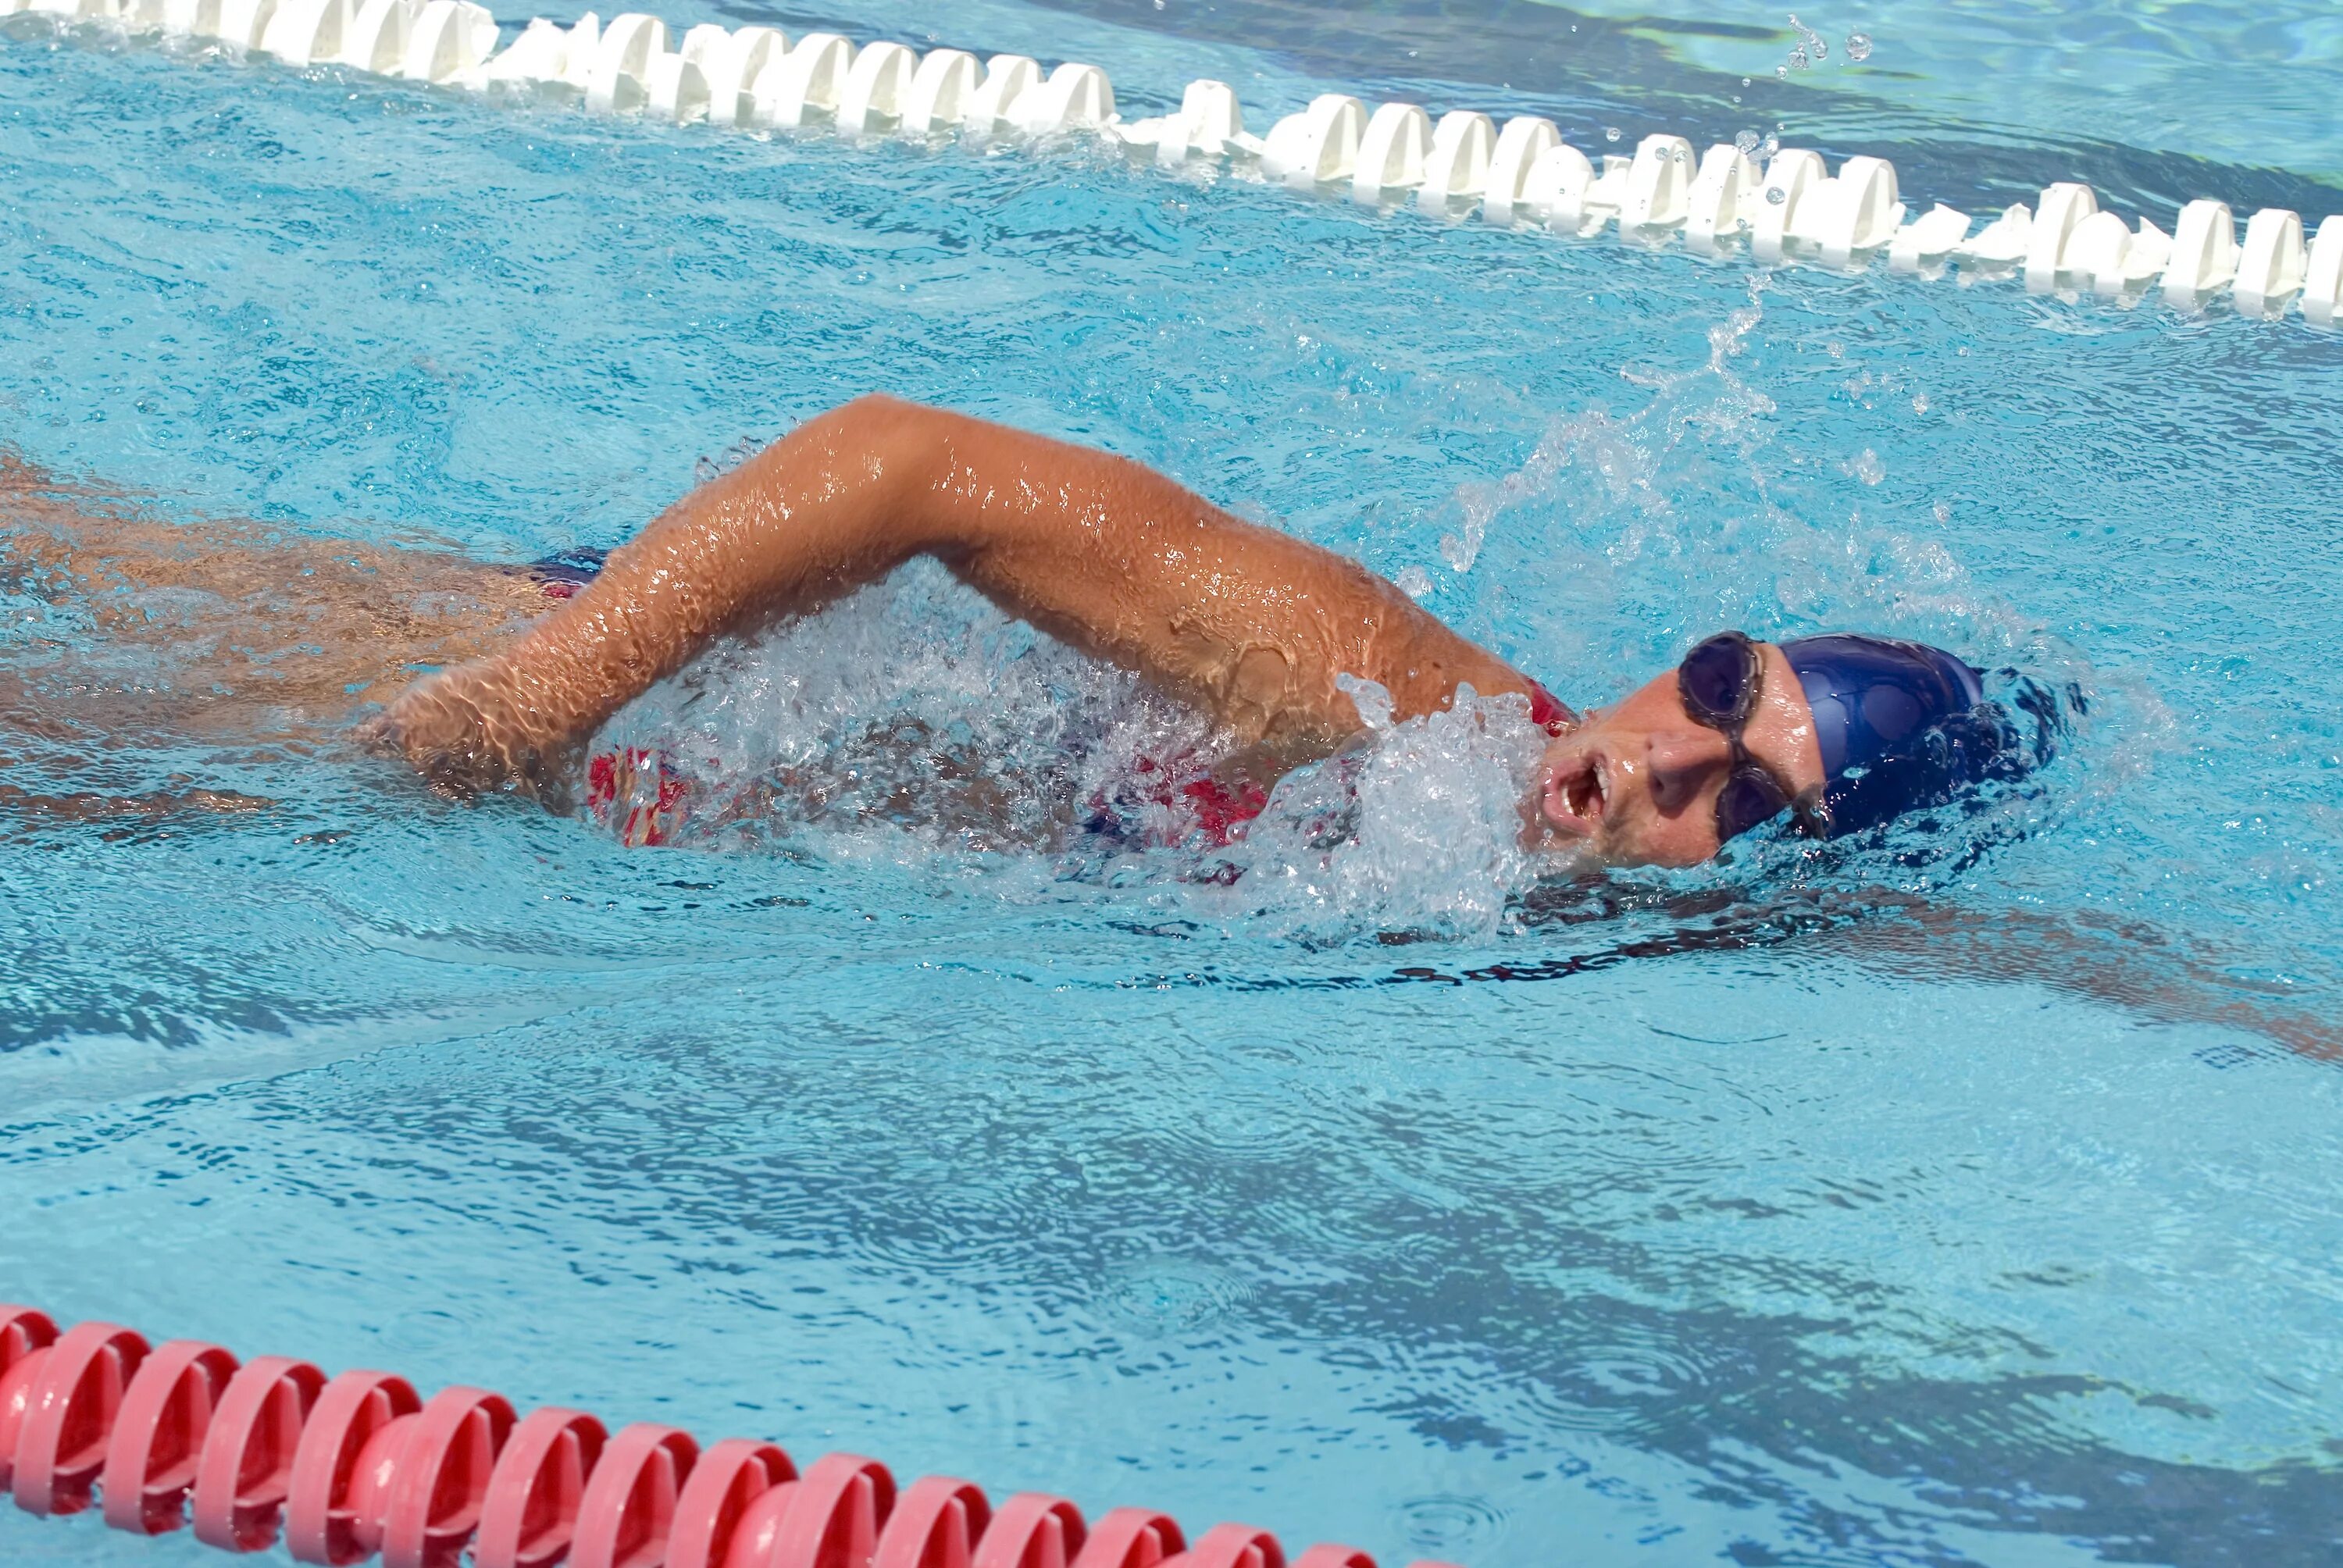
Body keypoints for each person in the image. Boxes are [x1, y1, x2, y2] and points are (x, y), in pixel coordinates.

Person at [366, 394, 2032, 865]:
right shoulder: (1383, 701)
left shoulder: (1529, 906)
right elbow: (906, 458)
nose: (1670, 754)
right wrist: (531, 707)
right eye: (1724, 687)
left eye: (1749, 799)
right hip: (607, 676)